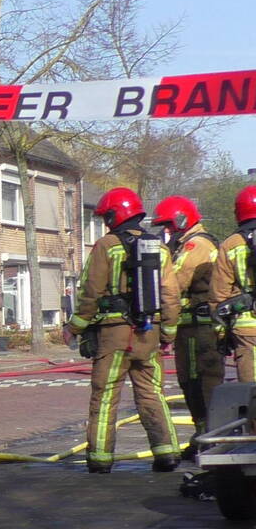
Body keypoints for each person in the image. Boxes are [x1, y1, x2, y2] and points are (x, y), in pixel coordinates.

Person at [62, 188, 181, 474]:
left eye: (106, 217)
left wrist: (75, 327)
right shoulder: (159, 248)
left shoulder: (106, 245)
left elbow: (91, 291)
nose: (105, 222)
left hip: (115, 335)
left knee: (105, 395)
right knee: (152, 394)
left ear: (114, 215)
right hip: (149, 333)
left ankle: (100, 459)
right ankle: (167, 454)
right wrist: (168, 335)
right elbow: (171, 296)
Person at [151, 195, 223, 460]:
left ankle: (211, 437)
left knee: (200, 382)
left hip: (199, 330)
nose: (166, 230)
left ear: (182, 220)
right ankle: (203, 435)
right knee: (190, 382)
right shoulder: (184, 244)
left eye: (168, 225)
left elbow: (174, 280)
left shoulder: (196, 245)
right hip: (189, 327)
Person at [209, 185, 256, 383]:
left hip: (247, 330)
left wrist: (221, 334)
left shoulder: (232, 244)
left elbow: (219, 294)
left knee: (252, 389)